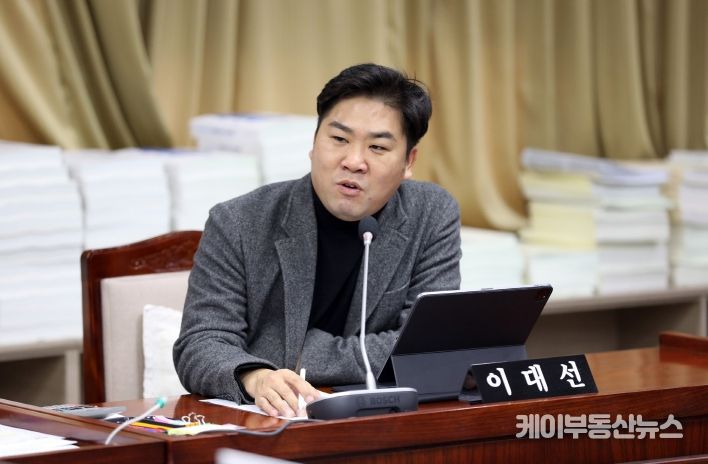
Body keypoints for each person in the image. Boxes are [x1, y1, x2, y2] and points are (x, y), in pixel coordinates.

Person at [173, 63, 461, 417]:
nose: (353, 161)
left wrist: (299, 352)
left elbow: (426, 347)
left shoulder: (431, 214)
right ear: (313, 143)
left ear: (408, 161)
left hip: (382, 416)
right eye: (338, 139)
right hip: (272, 420)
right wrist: (255, 376)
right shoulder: (239, 221)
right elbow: (199, 344)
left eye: (377, 147)